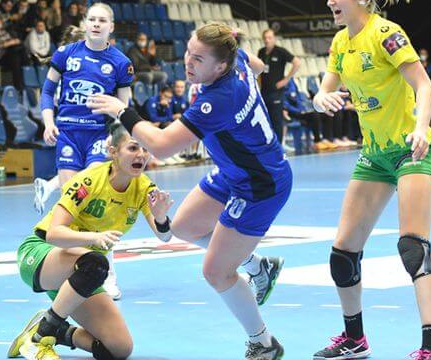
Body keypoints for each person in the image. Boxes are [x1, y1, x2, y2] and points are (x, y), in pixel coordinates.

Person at [88, 22, 290, 360]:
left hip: (260, 185)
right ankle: (258, 267)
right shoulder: (237, 59)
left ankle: (264, 343)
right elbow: (258, 66)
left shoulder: (218, 99)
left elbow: (162, 146)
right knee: (182, 226)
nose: (188, 62)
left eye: (198, 59)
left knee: (216, 272)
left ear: (220, 66)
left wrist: (122, 111)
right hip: (234, 170)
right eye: (188, 52)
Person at [312, 0, 431, 360]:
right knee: (343, 253)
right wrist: (321, 98)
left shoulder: (386, 33)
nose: (330, 0)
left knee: (413, 247)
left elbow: (424, 87)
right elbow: (325, 88)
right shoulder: (341, 42)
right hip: (374, 155)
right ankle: (354, 339)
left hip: (410, 148)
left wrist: (420, 129)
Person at [7, 123, 174, 360]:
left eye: (145, 149)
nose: (141, 155)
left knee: (118, 349)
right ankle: (39, 338)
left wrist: (161, 218)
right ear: (114, 151)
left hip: (83, 272)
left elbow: (164, 236)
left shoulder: (144, 187)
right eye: (133, 148)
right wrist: (93, 237)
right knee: (95, 263)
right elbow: (54, 233)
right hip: (42, 254)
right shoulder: (88, 181)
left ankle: (56, 331)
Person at [32, 3, 134, 301]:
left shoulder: (121, 63)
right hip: (67, 134)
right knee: (72, 203)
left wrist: (118, 137)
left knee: (95, 200)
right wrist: (48, 122)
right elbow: (47, 92)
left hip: (99, 136)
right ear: (85, 23)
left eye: (102, 20)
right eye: (92, 19)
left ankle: (108, 274)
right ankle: (79, 270)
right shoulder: (66, 53)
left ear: (111, 27)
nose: (96, 24)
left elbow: (125, 106)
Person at [258, 29, 301, 145]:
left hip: (276, 92)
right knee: (266, 120)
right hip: (264, 91)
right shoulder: (261, 52)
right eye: (265, 38)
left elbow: (297, 62)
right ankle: (269, 145)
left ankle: (279, 146)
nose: (267, 40)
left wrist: (286, 79)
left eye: (269, 38)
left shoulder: (280, 51)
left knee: (277, 120)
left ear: (274, 39)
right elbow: (260, 71)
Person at [0, 16, 28, 89]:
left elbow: (13, 42)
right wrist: (11, 42)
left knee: (16, 55)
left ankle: (19, 85)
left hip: (9, 56)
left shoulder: (4, 32)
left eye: (0, 21)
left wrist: (10, 43)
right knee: (16, 52)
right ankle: (26, 64)